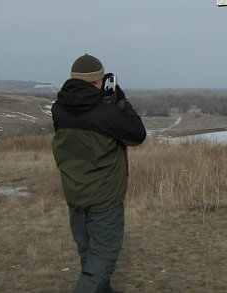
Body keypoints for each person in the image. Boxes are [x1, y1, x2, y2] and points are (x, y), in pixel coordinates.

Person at [51, 54, 146, 292]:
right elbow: (137, 134)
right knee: (101, 260)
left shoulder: (59, 109)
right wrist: (121, 101)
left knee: (88, 253)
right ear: (98, 81)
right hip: (104, 199)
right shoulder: (105, 113)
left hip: (75, 195)